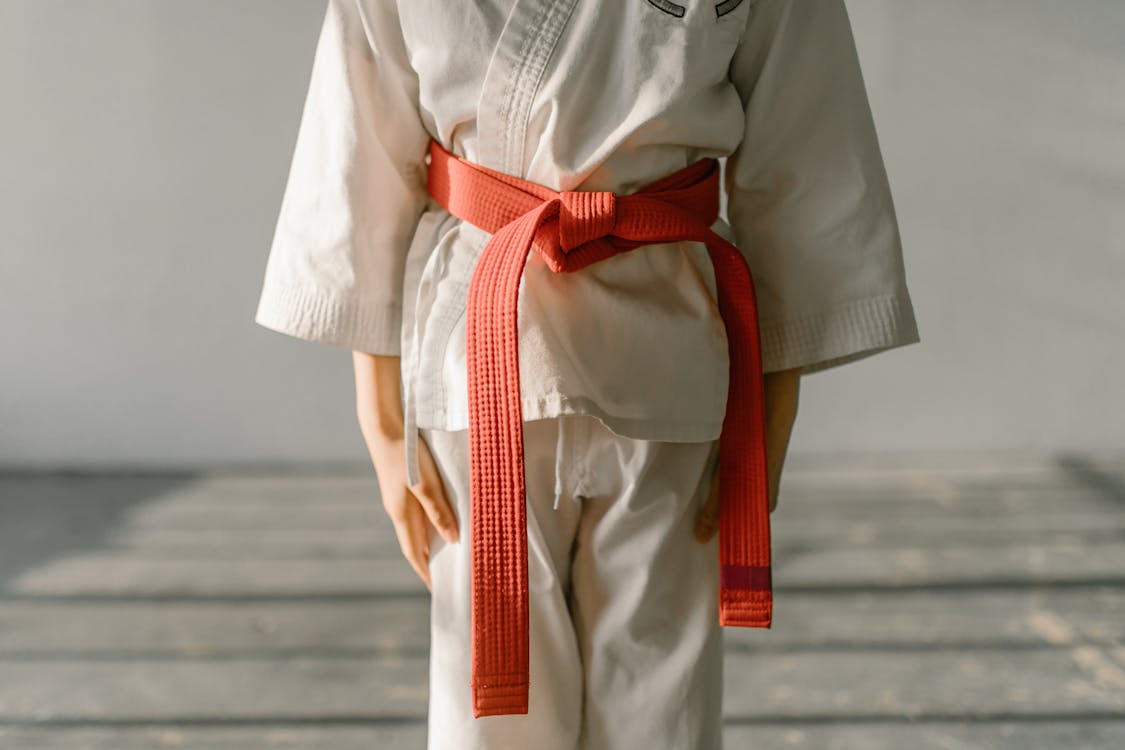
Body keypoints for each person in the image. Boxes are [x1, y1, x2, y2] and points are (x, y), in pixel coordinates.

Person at [253, 1, 921, 747]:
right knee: (496, 701)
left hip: (668, 346)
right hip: (486, 350)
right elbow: (361, 134)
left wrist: (775, 398)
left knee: (657, 686)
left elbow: (804, 138)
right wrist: (378, 413)